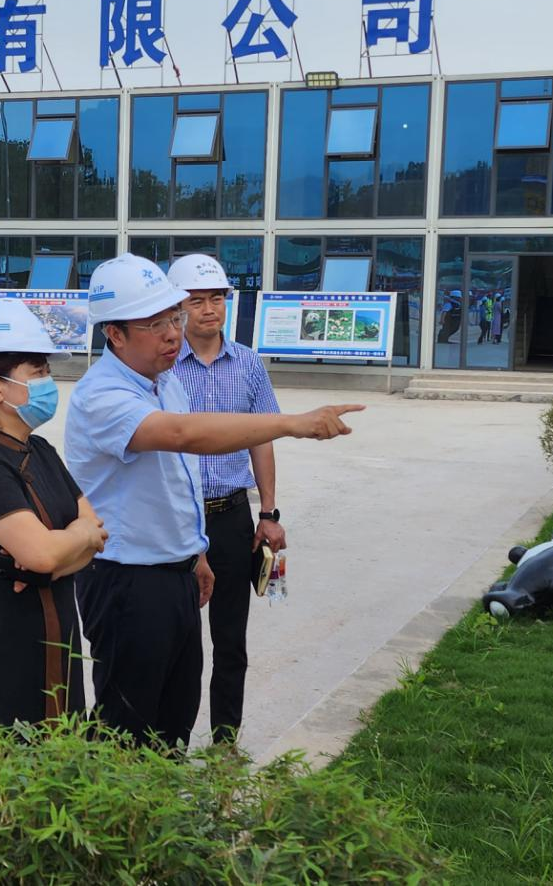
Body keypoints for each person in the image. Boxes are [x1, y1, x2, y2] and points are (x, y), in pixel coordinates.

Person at [64, 253, 364, 753]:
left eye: (173, 319)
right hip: (126, 579)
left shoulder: (166, 383)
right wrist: (292, 423)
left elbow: (177, 483)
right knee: (127, 725)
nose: (172, 334)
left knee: (174, 717)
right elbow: (183, 436)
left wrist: (195, 551)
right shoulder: (103, 395)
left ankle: (175, 793)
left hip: (176, 569)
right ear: (114, 334)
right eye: (155, 324)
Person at [0, 298, 108, 729]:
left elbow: (95, 530)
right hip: (1, 660)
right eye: (37, 372)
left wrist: (62, 549)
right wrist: (70, 542)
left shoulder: (40, 450)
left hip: (55, 648)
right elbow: (43, 553)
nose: (48, 382)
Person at [167, 254, 285, 746]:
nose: (209, 309)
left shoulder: (249, 363)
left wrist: (269, 513)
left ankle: (224, 741)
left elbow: (263, 437)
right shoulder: (163, 369)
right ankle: (169, 744)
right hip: (177, 520)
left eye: (216, 298)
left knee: (230, 640)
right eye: (197, 301)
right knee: (177, 641)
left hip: (232, 516)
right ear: (177, 308)